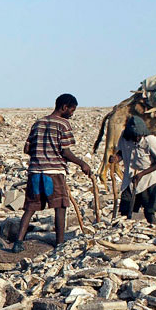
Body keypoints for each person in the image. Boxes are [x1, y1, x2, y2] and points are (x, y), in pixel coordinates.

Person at [12, 94, 93, 253]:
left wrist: (41, 154)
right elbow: (66, 151)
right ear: (64, 107)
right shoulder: (63, 124)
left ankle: (18, 242)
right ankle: (60, 243)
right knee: (60, 207)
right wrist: (82, 163)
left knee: (30, 208)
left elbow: (27, 149)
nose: (72, 114)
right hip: (54, 172)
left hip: (35, 172)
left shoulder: (38, 123)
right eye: (72, 110)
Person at [117, 115, 156, 224]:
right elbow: (121, 152)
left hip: (149, 179)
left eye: (139, 136)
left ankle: (153, 227)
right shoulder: (124, 138)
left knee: (149, 209)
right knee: (125, 208)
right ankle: (123, 228)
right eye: (135, 136)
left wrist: (142, 174)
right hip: (130, 178)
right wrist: (116, 158)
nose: (137, 138)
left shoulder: (150, 141)